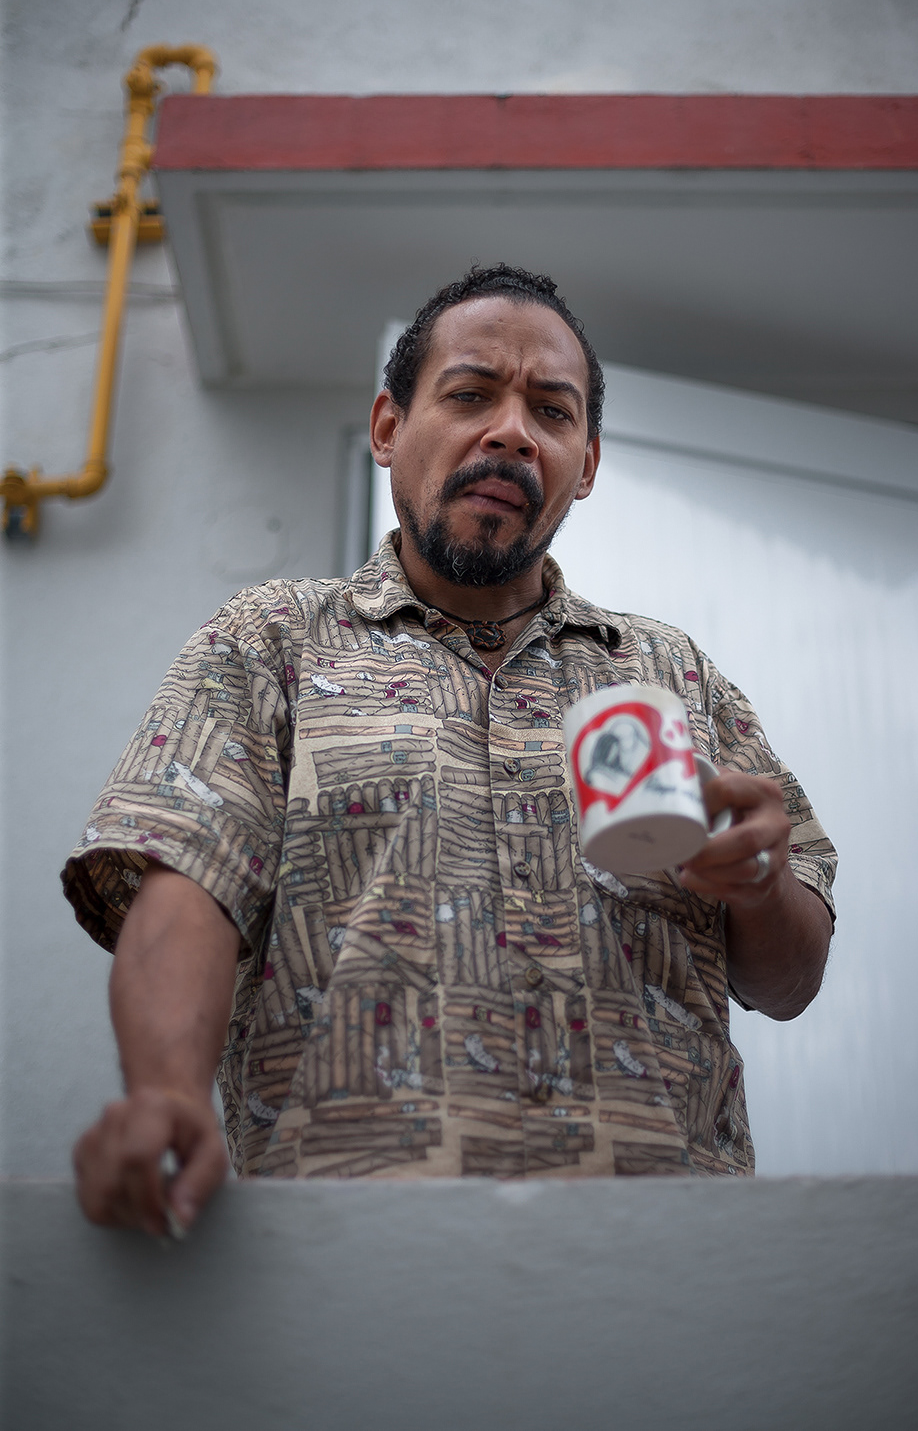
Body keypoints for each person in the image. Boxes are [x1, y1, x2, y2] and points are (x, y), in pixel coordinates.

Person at [64, 264, 836, 1236]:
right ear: (388, 426)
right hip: (342, 1242)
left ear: (585, 464)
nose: (511, 432)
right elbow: (186, 883)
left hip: (664, 1248)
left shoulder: (670, 675)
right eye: (470, 395)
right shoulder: (272, 641)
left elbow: (788, 981)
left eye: (550, 411)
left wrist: (760, 883)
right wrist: (166, 1093)